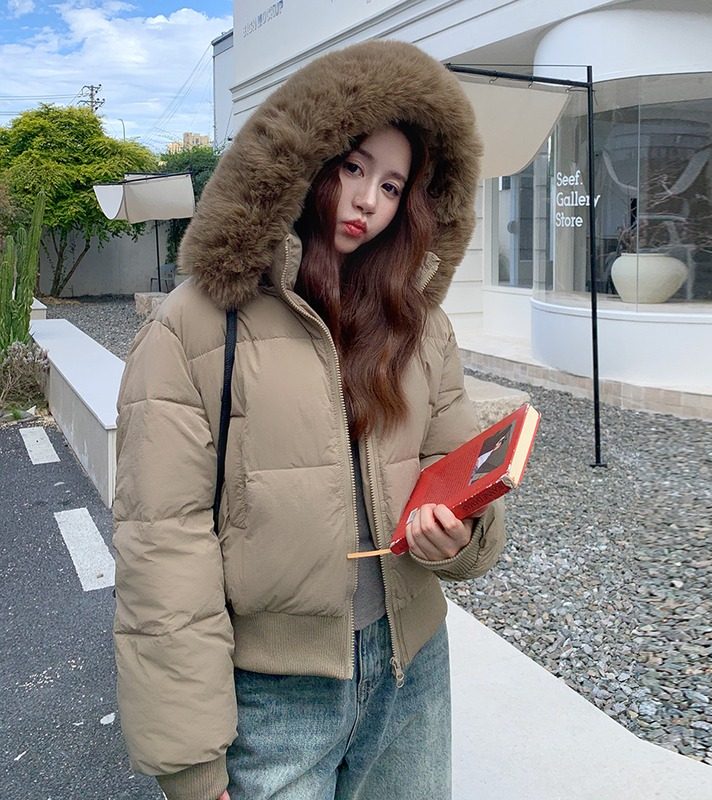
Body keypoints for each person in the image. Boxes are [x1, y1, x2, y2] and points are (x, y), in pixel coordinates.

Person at [112, 39, 506, 800]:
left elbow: (457, 469)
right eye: (354, 167)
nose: (368, 201)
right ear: (301, 160)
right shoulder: (196, 323)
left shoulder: (419, 324)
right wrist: (189, 756)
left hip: (413, 667)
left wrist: (461, 533)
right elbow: (163, 540)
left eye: (392, 186)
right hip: (273, 694)